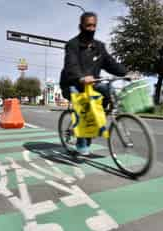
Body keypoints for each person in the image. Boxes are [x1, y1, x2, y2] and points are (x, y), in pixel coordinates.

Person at [60, 11, 129, 155]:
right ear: (81, 26)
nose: (91, 28)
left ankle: (93, 125)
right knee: (81, 103)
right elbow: (70, 66)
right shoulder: (72, 45)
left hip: (92, 85)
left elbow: (111, 64)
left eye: (94, 25)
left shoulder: (99, 47)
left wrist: (126, 73)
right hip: (72, 83)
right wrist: (80, 77)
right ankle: (81, 139)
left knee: (108, 90)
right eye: (88, 25)